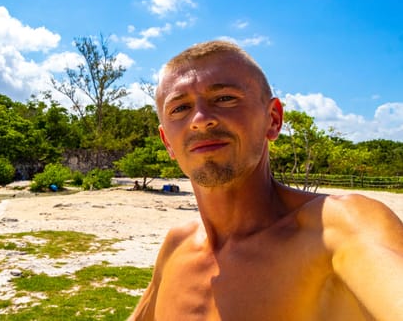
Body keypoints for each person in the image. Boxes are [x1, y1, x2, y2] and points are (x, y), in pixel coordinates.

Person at [129, 40, 403, 320]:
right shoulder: (176, 247)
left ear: (273, 119)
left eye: (224, 98)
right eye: (179, 108)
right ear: (168, 144)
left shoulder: (338, 229)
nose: (200, 119)